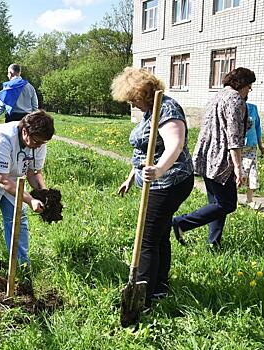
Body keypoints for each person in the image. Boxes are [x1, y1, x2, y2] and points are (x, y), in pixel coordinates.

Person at [112, 67, 194, 307]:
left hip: (169, 182)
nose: (133, 104)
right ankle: (159, 287)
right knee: (159, 236)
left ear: (145, 92)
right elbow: (145, 150)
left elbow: (174, 145)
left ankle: (142, 298)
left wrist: (158, 169)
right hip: (156, 181)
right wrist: (131, 176)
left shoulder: (167, 108)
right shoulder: (150, 111)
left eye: (134, 98)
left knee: (147, 239)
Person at [173, 67, 256, 250]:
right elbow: (234, 136)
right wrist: (237, 167)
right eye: (249, 87)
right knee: (227, 204)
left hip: (206, 156)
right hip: (222, 160)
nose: (249, 91)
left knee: (216, 203)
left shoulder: (216, 97)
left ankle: (214, 243)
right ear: (242, 84)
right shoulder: (235, 99)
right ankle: (182, 223)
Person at [0, 110, 55, 271]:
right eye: (36, 142)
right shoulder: (2, 139)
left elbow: (34, 173)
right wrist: (31, 200)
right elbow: (1, 179)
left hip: (12, 180)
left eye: (42, 143)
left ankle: (22, 265)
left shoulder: (38, 142)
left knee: (18, 220)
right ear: (25, 131)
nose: (39, 146)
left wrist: (44, 194)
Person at [242, 102, 264, 209]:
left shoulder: (253, 108)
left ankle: (250, 200)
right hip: (236, 148)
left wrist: (260, 144)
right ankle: (232, 199)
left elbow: (257, 127)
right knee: (235, 172)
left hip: (251, 146)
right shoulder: (233, 107)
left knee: (252, 172)